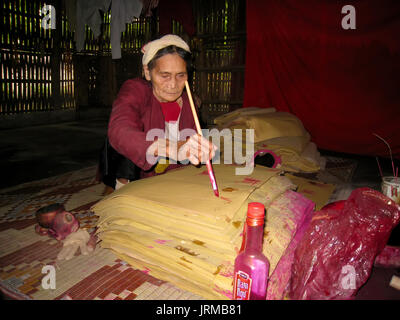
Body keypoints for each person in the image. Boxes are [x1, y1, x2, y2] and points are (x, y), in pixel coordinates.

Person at [100, 34, 217, 190]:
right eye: (164, 75)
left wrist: (198, 150)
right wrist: (171, 148)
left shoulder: (189, 102)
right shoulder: (135, 89)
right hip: (138, 172)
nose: (173, 85)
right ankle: (120, 188)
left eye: (181, 75)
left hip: (172, 171)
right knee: (125, 142)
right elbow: (120, 128)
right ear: (148, 72)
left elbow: (190, 147)